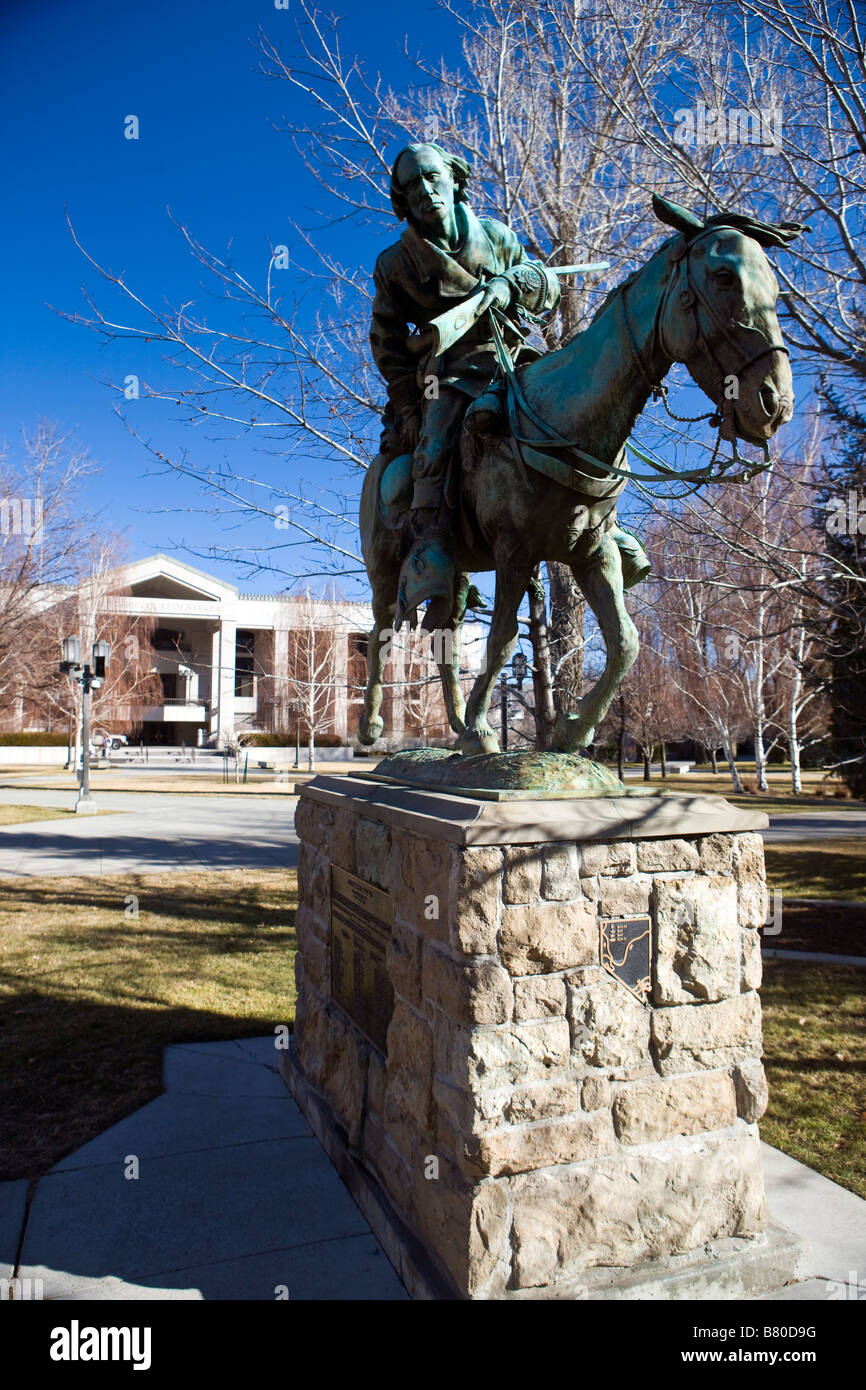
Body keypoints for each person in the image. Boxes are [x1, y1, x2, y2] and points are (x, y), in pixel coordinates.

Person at [370, 142, 560, 628]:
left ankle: (602, 528)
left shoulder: (494, 236)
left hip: (513, 361)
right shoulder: (395, 265)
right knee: (434, 445)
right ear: (402, 200)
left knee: (571, 411)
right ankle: (432, 557)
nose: (425, 191)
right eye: (412, 185)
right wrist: (409, 407)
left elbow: (547, 286)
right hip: (449, 374)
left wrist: (510, 285)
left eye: (432, 177)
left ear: (455, 179)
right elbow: (386, 342)